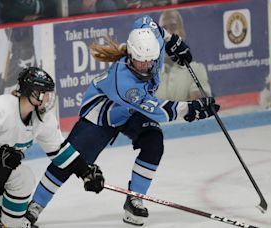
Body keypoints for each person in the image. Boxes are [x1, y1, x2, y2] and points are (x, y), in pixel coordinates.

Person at [24, 15, 219, 226]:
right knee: (69, 161)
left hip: (129, 112)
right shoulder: (124, 82)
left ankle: (134, 199)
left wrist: (173, 41)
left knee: (154, 142)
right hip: (102, 114)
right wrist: (191, 109)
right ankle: (34, 206)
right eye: (139, 60)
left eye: (150, 60)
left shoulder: (152, 44)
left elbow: (147, 21)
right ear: (130, 54)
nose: (145, 65)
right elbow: (157, 110)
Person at [0, 67, 104, 228]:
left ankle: (7, 218)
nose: (49, 99)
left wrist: (85, 171)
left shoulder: (43, 119)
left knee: (10, 190)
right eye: (45, 93)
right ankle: (11, 225)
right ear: (33, 93)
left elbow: (59, 151)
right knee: (22, 178)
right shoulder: (3, 107)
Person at [156, 9, 212, 101]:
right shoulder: (148, 71)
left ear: (182, 32)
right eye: (163, 29)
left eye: (173, 27)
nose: (167, 34)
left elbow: (199, 103)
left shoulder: (196, 69)